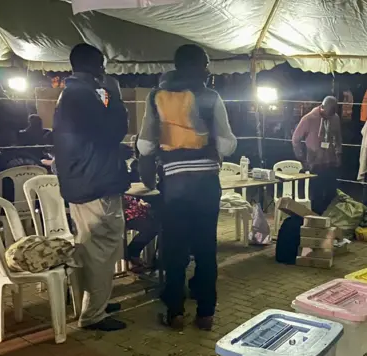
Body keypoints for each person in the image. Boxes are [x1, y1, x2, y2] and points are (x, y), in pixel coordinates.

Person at [137, 44, 237, 330]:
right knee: (206, 248)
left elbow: (145, 145)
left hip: (175, 182)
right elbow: (228, 145)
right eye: (205, 63)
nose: (208, 69)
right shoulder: (211, 96)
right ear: (195, 66)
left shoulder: (156, 96)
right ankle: (205, 313)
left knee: (175, 249)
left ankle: (175, 312)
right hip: (206, 183)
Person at [53, 43, 130, 332]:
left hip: (81, 180)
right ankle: (93, 314)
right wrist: (116, 97)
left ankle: (96, 302)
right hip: (96, 183)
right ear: (96, 67)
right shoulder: (82, 96)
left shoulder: (69, 95)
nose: (104, 72)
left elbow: (91, 139)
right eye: (102, 66)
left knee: (90, 246)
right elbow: (114, 130)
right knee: (102, 248)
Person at [292, 96, 342, 214]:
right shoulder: (309, 118)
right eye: (329, 113)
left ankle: (329, 217)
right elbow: (295, 139)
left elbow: (338, 138)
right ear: (322, 107)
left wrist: (339, 154)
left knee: (332, 192)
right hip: (315, 163)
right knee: (317, 193)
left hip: (330, 162)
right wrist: (302, 158)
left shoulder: (335, 118)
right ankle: (316, 220)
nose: (330, 116)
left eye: (333, 112)